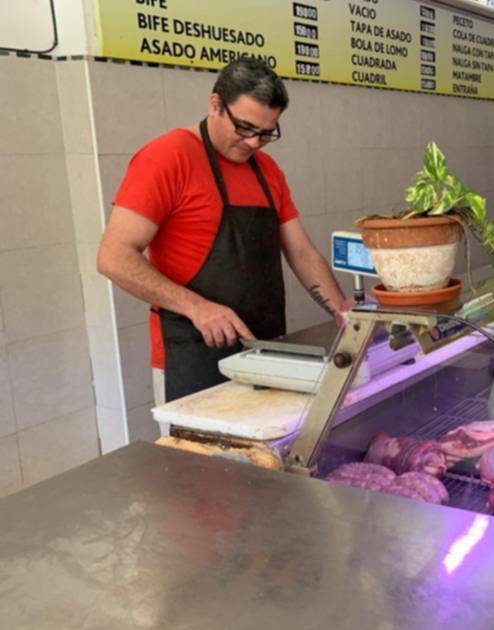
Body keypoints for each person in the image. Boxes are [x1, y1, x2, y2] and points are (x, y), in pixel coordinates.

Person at [98, 58, 353, 404]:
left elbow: (301, 253)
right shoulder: (167, 158)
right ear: (215, 105)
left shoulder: (266, 170)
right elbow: (113, 257)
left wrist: (343, 313)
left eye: (266, 133)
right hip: (191, 355)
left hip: (264, 353)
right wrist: (198, 308)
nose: (254, 143)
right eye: (245, 128)